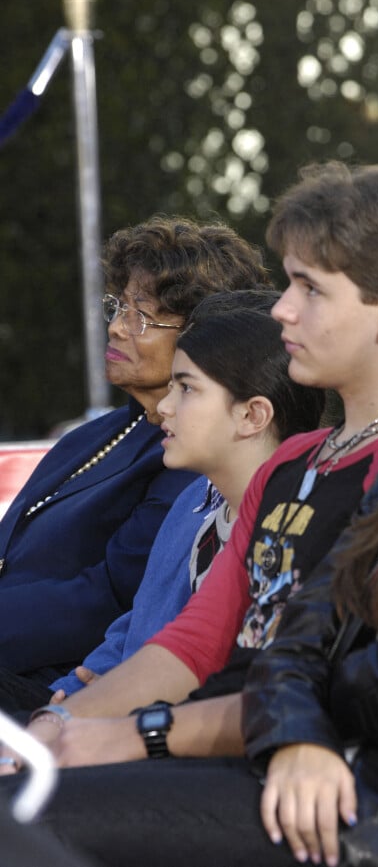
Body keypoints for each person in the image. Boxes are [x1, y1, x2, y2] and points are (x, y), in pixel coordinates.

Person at [19, 204, 378, 867]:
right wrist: (293, 718)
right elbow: (298, 640)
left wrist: (161, 730)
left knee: (30, 822)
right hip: (323, 782)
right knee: (25, 809)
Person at [1, 161, 378, 767]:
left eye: (309, 288)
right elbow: (194, 640)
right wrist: (60, 723)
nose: (283, 309)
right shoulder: (295, 462)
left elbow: (348, 684)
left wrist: (126, 733)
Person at [10, 290, 323, 714]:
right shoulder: (194, 501)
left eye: (187, 389)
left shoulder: (292, 523)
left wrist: (100, 709)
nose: (167, 406)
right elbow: (134, 624)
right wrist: (65, 701)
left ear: (253, 415)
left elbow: (229, 686)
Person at [0, 214, 271, 692]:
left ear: (205, 334)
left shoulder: (192, 459)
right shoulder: (99, 433)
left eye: (140, 315)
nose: (118, 329)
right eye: (118, 307)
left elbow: (111, 599)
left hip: (59, 679)